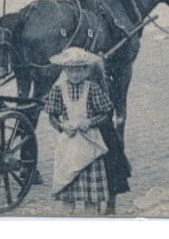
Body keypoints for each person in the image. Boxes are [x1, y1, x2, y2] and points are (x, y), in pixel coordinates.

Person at [45, 47, 129, 215]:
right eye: (71, 70)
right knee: (67, 194)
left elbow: (105, 113)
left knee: (91, 198)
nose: (75, 75)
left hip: (90, 144)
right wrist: (61, 126)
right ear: (65, 70)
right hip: (69, 146)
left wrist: (90, 121)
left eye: (79, 70)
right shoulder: (58, 90)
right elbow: (52, 115)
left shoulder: (93, 88)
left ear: (86, 71)